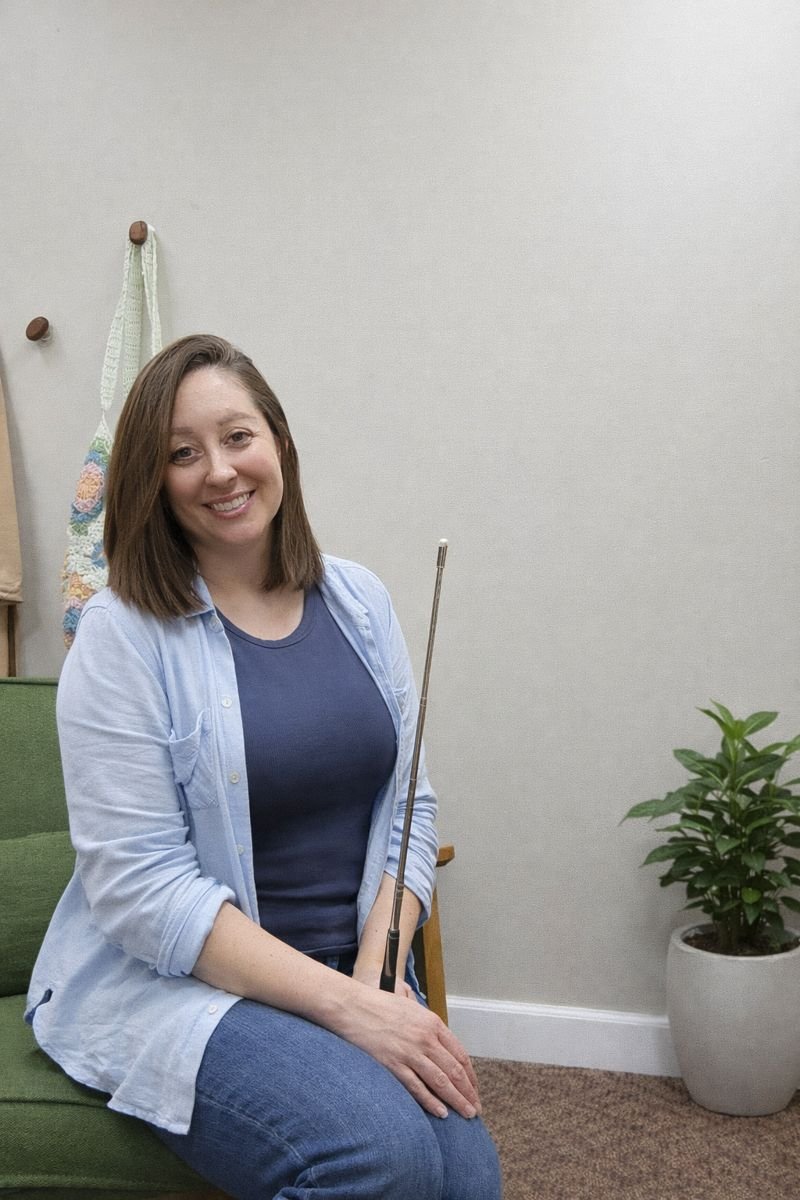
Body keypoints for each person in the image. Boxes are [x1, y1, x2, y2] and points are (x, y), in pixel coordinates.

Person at [27, 334, 502, 1200]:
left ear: (279, 441)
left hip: (355, 961)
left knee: (466, 1178)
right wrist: (346, 1008)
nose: (219, 470)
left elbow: (408, 812)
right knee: (382, 1158)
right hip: (195, 989)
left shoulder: (359, 600)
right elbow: (139, 889)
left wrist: (376, 976)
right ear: (152, 482)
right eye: (182, 453)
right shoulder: (121, 637)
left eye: (238, 436)